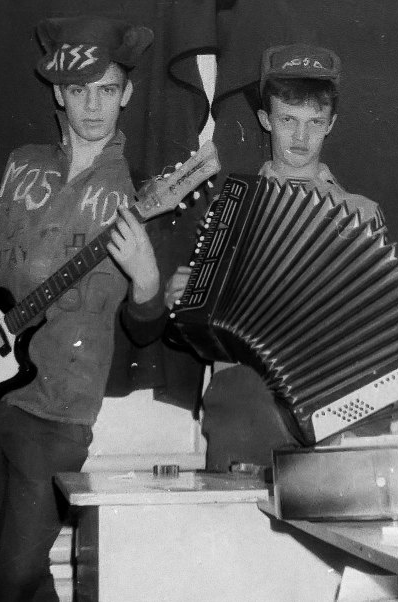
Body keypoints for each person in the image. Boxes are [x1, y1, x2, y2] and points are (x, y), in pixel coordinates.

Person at [0, 16, 163, 601]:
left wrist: (146, 278)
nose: (94, 106)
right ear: (59, 94)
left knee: (10, 581)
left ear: (127, 95)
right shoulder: (21, 163)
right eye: (79, 91)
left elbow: (147, 330)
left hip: (58, 415)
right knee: (30, 581)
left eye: (107, 90)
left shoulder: (141, 193)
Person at [164, 43, 384, 472]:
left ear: (331, 124)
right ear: (266, 120)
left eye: (314, 122)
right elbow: (198, 331)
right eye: (288, 120)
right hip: (244, 402)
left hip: (332, 399)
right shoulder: (229, 207)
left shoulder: (360, 214)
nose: (301, 138)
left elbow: (376, 328)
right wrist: (183, 302)